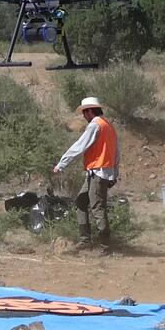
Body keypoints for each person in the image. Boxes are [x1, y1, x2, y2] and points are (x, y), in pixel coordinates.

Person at [52, 96, 119, 253]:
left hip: (98, 172)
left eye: (84, 112)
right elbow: (117, 153)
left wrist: (62, 163)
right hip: (100, 172)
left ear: (89, 111)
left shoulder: (95, 125)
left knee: (97, 208)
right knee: (81, 202)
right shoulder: (108, 126)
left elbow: (79, 146)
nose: (84, 116)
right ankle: (85, 240)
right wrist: (114, 173)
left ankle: (105, 247)